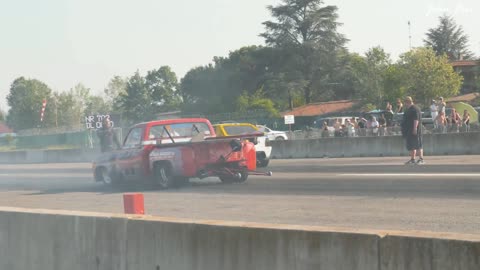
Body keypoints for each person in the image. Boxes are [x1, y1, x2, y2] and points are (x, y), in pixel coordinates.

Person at [401, 96, 424, 164]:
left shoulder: (415, 109)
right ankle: (412, 159)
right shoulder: (408, 109)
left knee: (418, 144)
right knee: (411, 145)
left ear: (408, 102)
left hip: (415, 130)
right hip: (409, 130)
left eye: (405, 102)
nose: (405, 104)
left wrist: (415, 128)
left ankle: (421, 159)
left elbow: (416, 119)